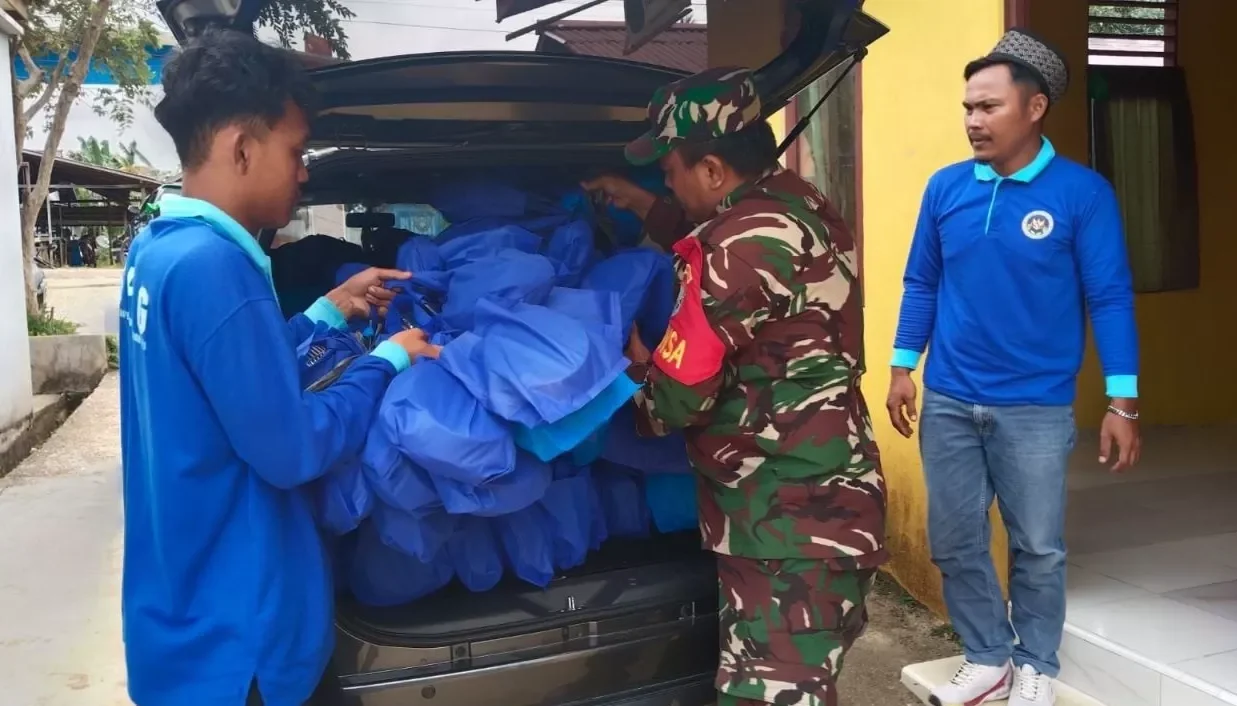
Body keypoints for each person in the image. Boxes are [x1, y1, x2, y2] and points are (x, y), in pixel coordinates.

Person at [117, 30, 438, 706]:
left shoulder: (159, 248)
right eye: (294, 151)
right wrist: (382, 363)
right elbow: (291, 451)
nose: (303, 171)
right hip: (242, 643)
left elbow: (227, 381)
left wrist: (323, 315)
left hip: (183, 619)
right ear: (241, 147)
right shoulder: (218, 267)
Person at [584, 67, 886, 706]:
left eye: (669, 171)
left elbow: (678, 396)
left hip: (785, 523)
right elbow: (743, 257)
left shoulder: (734, 245)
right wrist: (645, 207)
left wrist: (631, 382)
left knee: (769, 695)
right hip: (825, 502)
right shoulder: (804, 205)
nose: (663, 180)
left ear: (715, 171)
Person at [885, 29, 1141, 706]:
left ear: (1033, 110)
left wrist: (1122, 401)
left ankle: (1035, 663)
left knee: (1036, 546)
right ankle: (986, 656)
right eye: (968, 106)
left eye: (988, 107)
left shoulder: (1080, 195)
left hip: (1033, 405)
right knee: (954, 538)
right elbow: (921, 282)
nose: (972, 120)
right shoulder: (945, 189)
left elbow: (1109, 295)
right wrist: (902, 365)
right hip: (947, 397)